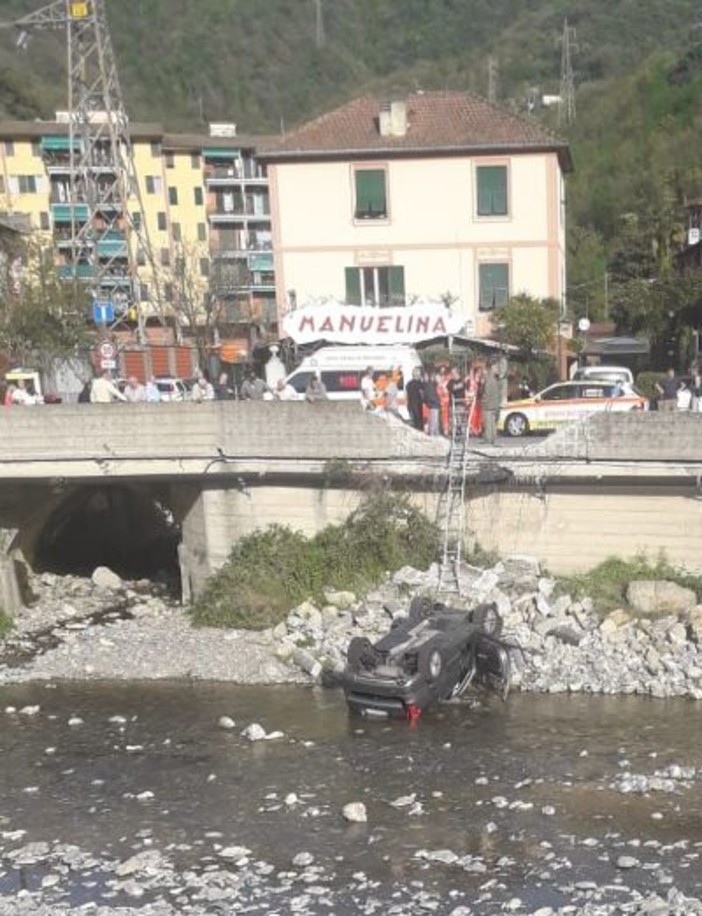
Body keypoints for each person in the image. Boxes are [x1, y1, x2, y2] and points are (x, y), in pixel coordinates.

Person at [482, 363, 502, 445]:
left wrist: (484, 401)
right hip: (495, 404)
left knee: (488, 423)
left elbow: (487, 392)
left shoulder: (489, 379)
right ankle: (493, 438)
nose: (497, 370)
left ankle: (488, 439)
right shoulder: (497, 379)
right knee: (493, 423)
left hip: (488, 404)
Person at [422, 370, 441, 437]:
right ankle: (434, 433)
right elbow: (428, 396)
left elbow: (426, 396)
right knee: (434, 420)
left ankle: (434, 433)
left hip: (434, 404)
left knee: (434, 420)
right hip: (434, 404)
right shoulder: (429, 385)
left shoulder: (429, 385)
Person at [405, 367, 425, 432]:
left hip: (411, 404)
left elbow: (407, 395)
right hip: (418, 405)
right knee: (419, 421)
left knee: (414, 421)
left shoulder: (409, 384)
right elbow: (422, 394)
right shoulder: (420, 384)